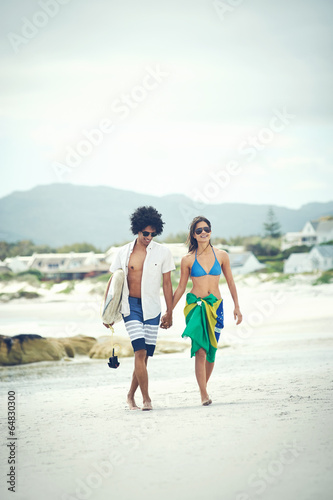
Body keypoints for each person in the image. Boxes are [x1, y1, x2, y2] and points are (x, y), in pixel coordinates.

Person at [104, 206, 175, 411]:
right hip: (130, 307)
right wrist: (107, 312)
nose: (149, 237)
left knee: (144, 356)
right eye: (146, 233)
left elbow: (167, 284)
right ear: (137, 230)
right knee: (140, 350)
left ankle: (129, 396)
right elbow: (114, 282)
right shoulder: (123, 252)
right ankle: (146, 399)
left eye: (153, 234)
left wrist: (170, 312)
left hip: (152, 308)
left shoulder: (163, 252)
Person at [172, 216, 242, 406]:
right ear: (193, 235)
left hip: (216, 307)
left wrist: (237, 306)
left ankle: (203, 387)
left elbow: (230, 282)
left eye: (206, 229)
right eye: (199, 230)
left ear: (210, 231)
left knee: (211, 351)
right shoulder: (187, 259)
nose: (203, 233)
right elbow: (180, 288)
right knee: (200, 351)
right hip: (196, 307)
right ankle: (204, 394)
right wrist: (168, 311)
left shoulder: (222, 255)